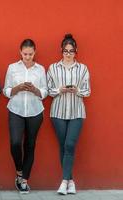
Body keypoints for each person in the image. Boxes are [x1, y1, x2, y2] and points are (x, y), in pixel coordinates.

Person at [47, 34, 91, 195]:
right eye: (65, 50)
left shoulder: (83, 68)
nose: (68, 53)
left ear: (76, 51)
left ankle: (64, 181)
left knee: (70, 145)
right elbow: (49, 91)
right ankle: (71, 181)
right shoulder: (53, 68)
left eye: (71, 51)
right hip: (57, 112)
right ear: (61, 50)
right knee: (64, 146)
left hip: (76, 112)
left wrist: (77, 90)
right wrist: (60, 90)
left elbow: (87, 91)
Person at [3, 39, 48, 193]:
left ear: (34, 52)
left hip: (35, 111)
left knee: (30, 145)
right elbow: (6, 91)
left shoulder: (40, 69)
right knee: (15, 143)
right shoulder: (12, 68)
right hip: (16, 109)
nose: (27, 57)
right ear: (20, 52)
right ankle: (19, 171)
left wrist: (35, 89)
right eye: (25, 54)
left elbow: (44, 92)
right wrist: (18, 88)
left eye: (30, 54)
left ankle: (24, 181)